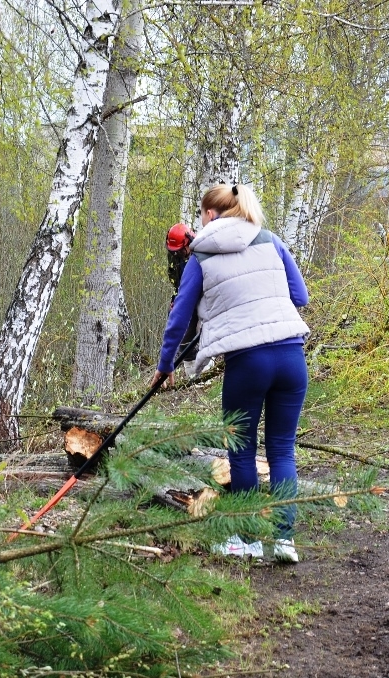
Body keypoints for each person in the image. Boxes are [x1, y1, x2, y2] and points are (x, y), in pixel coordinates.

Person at [153, 183, 310, 563]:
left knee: (240, 451)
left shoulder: (201, 254)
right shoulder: (270, 240)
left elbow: (180, 319)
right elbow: (300, 296)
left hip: (249, 362)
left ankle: (247, 539)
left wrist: (164, 365)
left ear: (210, 214)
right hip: (292, 357)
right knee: (281, 450)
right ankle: (284, 541)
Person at [166, 222, 199, 364]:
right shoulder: (174, 256)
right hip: (185, 296)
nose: (177, 253)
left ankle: (205, 366)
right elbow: (176, 280)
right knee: (178, 330)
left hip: (203, 297)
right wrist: (176, 298)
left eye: (180, 250)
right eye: (175, 251)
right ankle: (192, 367)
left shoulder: (201, 253)